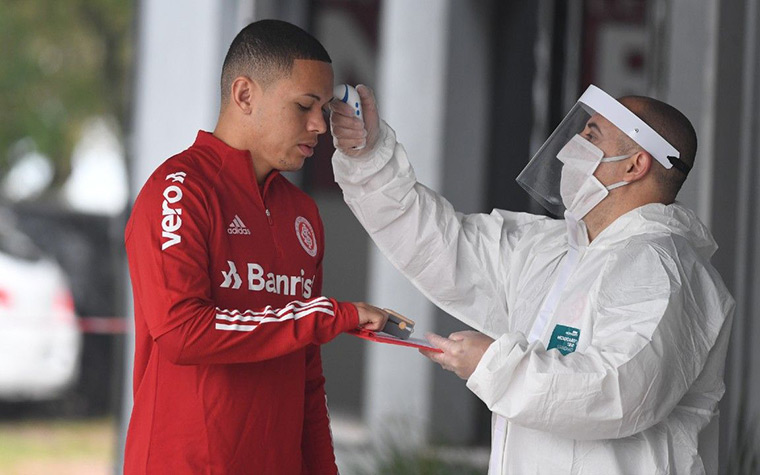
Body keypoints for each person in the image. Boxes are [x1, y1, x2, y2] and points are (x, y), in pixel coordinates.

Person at [329, 84, 734, 474]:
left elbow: (620, 392)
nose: (573, 146)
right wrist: (368, 160)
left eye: (591, 134)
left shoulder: (661, 268)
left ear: (635, 165)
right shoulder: (554, 249)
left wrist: (495, 364)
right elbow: (439, 243)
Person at [124, 20, 388, 474]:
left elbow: (306, 374)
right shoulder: (179, 190)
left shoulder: (303, 213)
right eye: (305, 105)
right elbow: (181, 333)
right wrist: (327, 315)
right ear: (244, 95)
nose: (318, 126)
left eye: (324, 109)